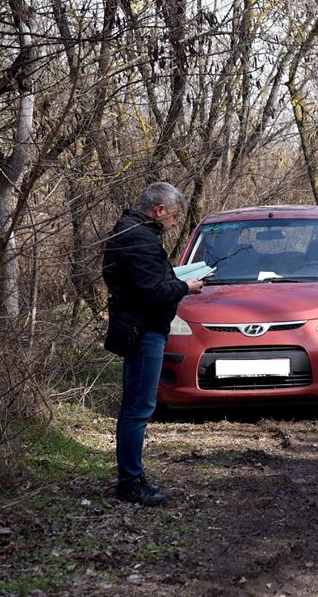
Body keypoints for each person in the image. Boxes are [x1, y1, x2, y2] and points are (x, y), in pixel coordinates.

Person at [102, 182, 203, 505]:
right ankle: (129, 481)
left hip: (139, 327)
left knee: (136, 406)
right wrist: (185, 287)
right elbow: (152, 292)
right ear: (159, 210)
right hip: (144, 331)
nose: (173, 224)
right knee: (139, 408)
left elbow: (145, 282)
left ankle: (132, 475)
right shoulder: (139, 238)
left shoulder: (129, 231)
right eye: (173, 217)